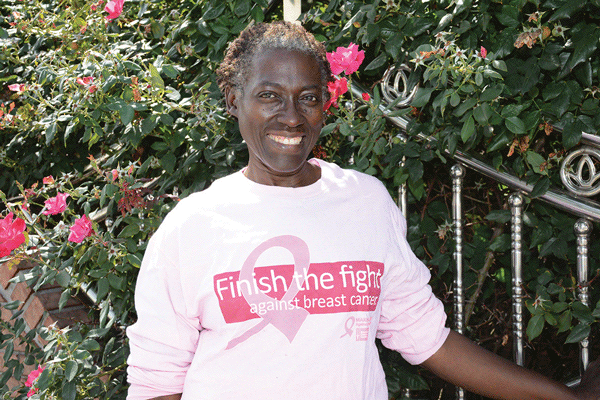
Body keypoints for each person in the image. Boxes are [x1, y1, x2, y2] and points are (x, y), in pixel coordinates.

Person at [125, 21, 600, 400]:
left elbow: (424, 336)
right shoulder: (192, 227)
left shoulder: (365, 201)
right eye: (269, 95)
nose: (291, 116)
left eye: (308, 98)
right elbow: (155, 384)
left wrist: (565, 397)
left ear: (325, 106)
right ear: (234, 99)